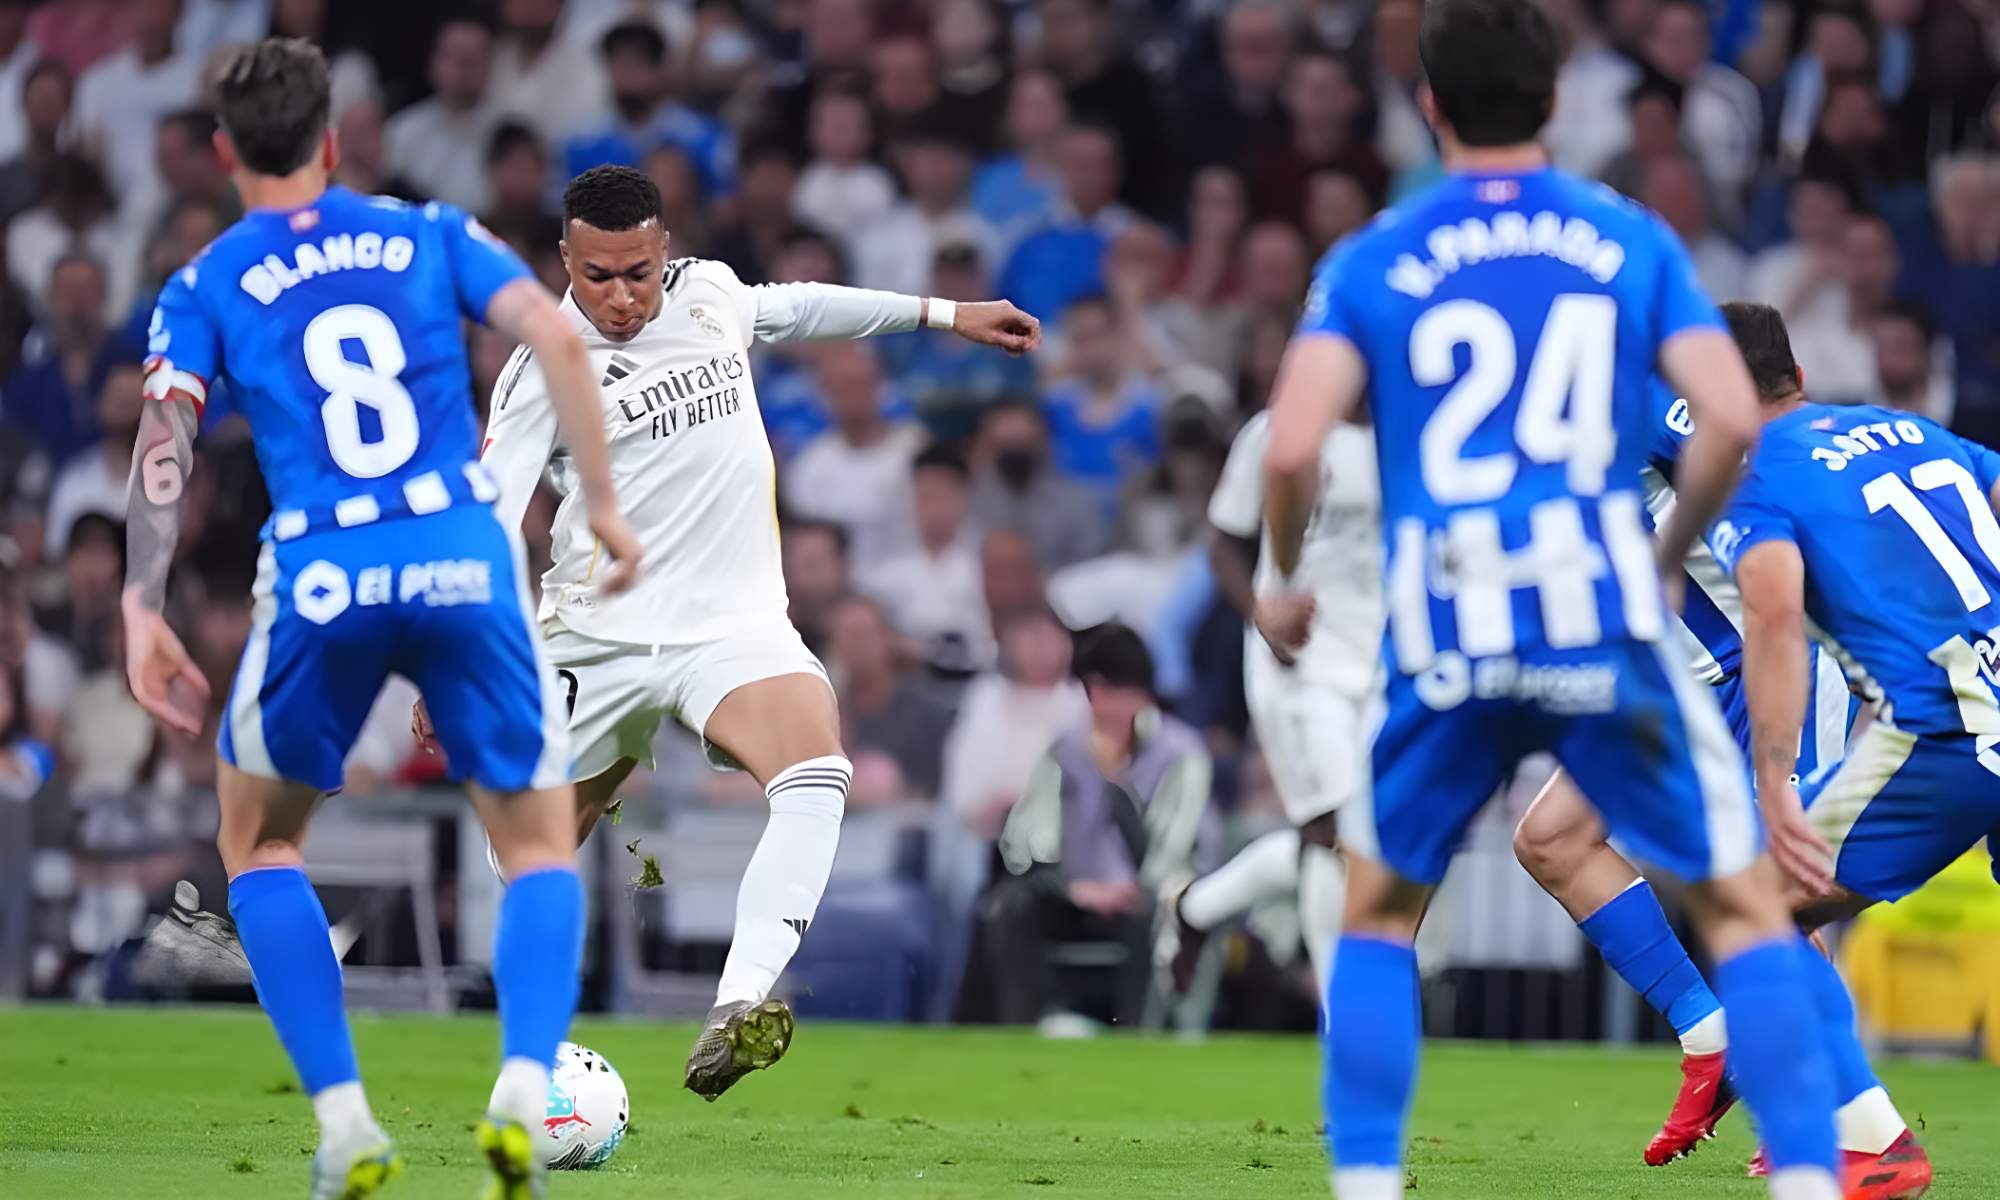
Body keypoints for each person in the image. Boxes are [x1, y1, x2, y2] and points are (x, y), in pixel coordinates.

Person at [1256, 1, 1845, 1196]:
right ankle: (1807, 1177)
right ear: (1552, 100)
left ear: (1428, 103)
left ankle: (1363, 1185)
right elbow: (1729, 418)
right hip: (1596, 624)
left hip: (1450, 628)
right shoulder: (1626, 239)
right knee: (1744, 910)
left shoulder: (1374, 253)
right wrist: (1665, 548)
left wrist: (1279, 578)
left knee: (1374, 914)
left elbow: (1291, 447)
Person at [121, 37, 640, 1200]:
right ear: (331, 139)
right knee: (538, 842)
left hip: (323, 568)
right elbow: (557, 335)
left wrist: (139, 602)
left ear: (224, 153)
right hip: (459, 552)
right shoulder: (428, 232)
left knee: (260, 846)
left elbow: (164, 443)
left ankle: (348, 1126)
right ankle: (522, 1088)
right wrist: (600, 507)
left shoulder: (204, 281)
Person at [458, 165, 1039, 1099]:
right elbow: (490, 516)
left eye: (638, 272)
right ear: (565, 260)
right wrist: (466, 645)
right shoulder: (541, 367)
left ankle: (738, 1004)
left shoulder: (711, 294)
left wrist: (943, 313)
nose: (621, 296)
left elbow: (801, 306)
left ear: (665, 250)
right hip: (597, 636)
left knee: (816, 773)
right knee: (527, 853)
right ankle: (525, 1066)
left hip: (731, 624)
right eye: (598, 276)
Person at [1706, 299, 1982, 1194]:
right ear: (1799, 375)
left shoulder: (1755, 478)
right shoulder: (1910, 430)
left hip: (1946, 728)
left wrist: (1773, 782)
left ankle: (1871, 1140)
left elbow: (1773, 617)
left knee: (1750, 901)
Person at [1162, 397, 1379, 1003]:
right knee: (1334, 830)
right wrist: (1262, 611)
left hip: (1385, 658)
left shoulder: (1412, 421)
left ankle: (1198, 907)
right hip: (1298, 660)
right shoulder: (1279, 431)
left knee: (1371, 838)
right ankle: (1343, 1017)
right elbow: (1225, 543)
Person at [989, 623, 1215, 1027]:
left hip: (1147, 896)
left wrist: (1116, 781)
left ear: (1143, 694)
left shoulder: (1181, 755)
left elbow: (1174, 849)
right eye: (1094, 690)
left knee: (1162, 911)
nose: (1104, 705)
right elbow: (1025, 838)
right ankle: (1034, 1025)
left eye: (1115, 691)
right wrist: (1072, 887)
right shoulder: (1066, 751)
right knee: (1011, 904)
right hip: (1075, 892)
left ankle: (1138, 1032)